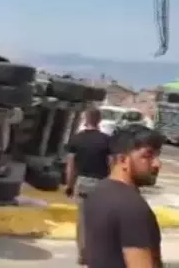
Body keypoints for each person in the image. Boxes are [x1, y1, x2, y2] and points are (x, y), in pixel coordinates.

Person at [84, 124, 164, 268]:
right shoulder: (133, 207)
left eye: (157, 156)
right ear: (122, 160)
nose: (157, 164)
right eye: (147, 156)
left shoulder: (97, 192)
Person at [65, 107, 112, 265]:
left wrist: (69, 185)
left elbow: (71, 166)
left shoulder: (77, 139)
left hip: (83, 182)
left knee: (83, 220)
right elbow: (111, 163)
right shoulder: (106, 140)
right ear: (99, 120)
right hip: (102, 183)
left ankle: (83, 254)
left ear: (86, 119)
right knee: (101, 219)